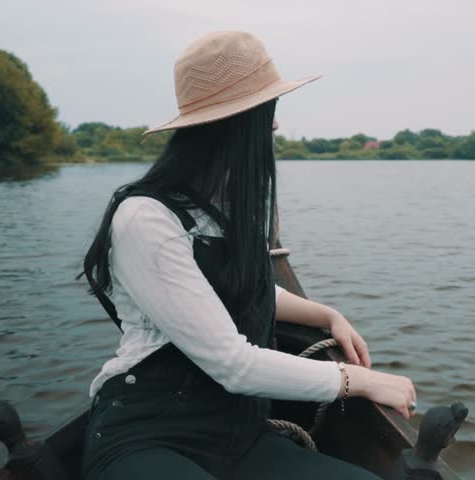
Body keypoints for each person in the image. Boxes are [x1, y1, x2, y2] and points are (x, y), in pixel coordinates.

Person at [80, 31, 416, 479]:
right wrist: (360, 381)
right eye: (269, 114)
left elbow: (246, 289)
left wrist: (326, 314)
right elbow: (234, 364)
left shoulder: (222, 210)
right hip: (152, 433)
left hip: (240, 433)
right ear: (240, 124)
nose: (275, 127)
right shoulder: (145, 218)